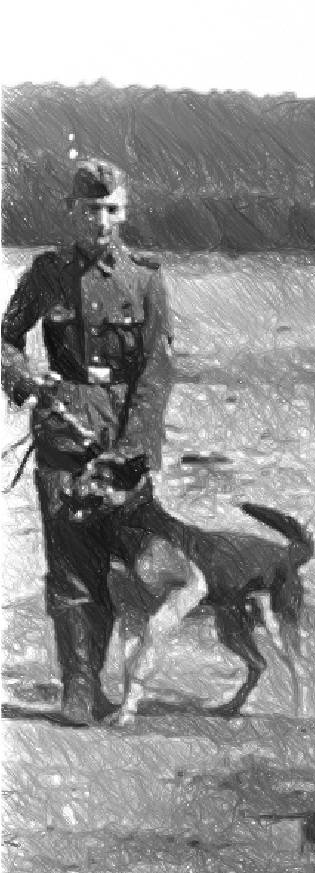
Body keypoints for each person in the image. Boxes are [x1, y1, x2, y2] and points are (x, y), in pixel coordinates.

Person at [2, 158, 174, 726]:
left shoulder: (145, 279)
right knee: (71, 563)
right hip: (63, 433)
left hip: (123, 439)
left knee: (127, 567)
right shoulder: (48, 273)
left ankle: (123, 681)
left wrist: (133, 445)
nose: (101, 221)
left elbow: (157, 370)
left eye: (111, 209)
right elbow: (5, 338)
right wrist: (25, 379)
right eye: (90, 209)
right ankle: (79, 686)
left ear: (124, 212)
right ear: (72, 211)